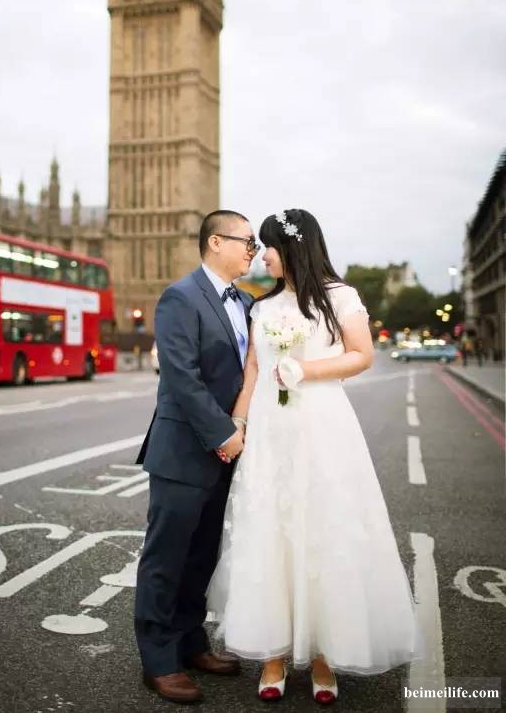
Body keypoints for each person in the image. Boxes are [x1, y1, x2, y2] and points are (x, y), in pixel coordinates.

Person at [207, 208, 424, 704]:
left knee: (325, 530)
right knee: (270, 533)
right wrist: (239, 422)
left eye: (268, 246)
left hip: (323, 428)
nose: (261, 255)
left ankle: (326, 654)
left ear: (293, 247)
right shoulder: (261, 306)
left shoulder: (339, 296)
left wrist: (307, 370)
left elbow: (361, 354)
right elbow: (253, 370)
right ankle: (274, 654)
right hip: (271, 432)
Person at [134, 209, 258, 704]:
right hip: (185, 449)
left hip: (227, 451)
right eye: (246, 241)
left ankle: (190, 643)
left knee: (202, 555)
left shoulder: (245, 302)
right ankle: (158, 661)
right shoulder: (180, 297)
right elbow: (181, 377)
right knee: (166, 558)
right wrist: (224, 433)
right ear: (215, 242)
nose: (252, 251)